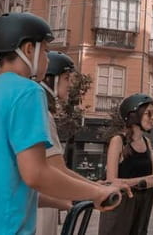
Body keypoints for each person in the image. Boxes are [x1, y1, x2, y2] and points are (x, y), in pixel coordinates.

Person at [0, 13, 123, 234]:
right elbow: (36, 174)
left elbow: (6, 188)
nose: (47, 59)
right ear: (28, 50)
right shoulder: (28, 91)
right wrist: (96, 193)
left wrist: (74, 196)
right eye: (45, 51)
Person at [36, 52, 132, 235]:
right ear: (50, 79)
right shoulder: (42, 114)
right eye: (66, 78)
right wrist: (98, 190)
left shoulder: (42, 112)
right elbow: (57, 169)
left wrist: (97, 187)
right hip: (36, 214)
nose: (70, 84)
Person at [98, 93, 153, 235]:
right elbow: (111, 181)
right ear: (134, 115)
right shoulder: (118, 141)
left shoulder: (147, 143)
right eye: (149, 114)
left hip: (141, 209)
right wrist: (141, 180)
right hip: (120, 209)